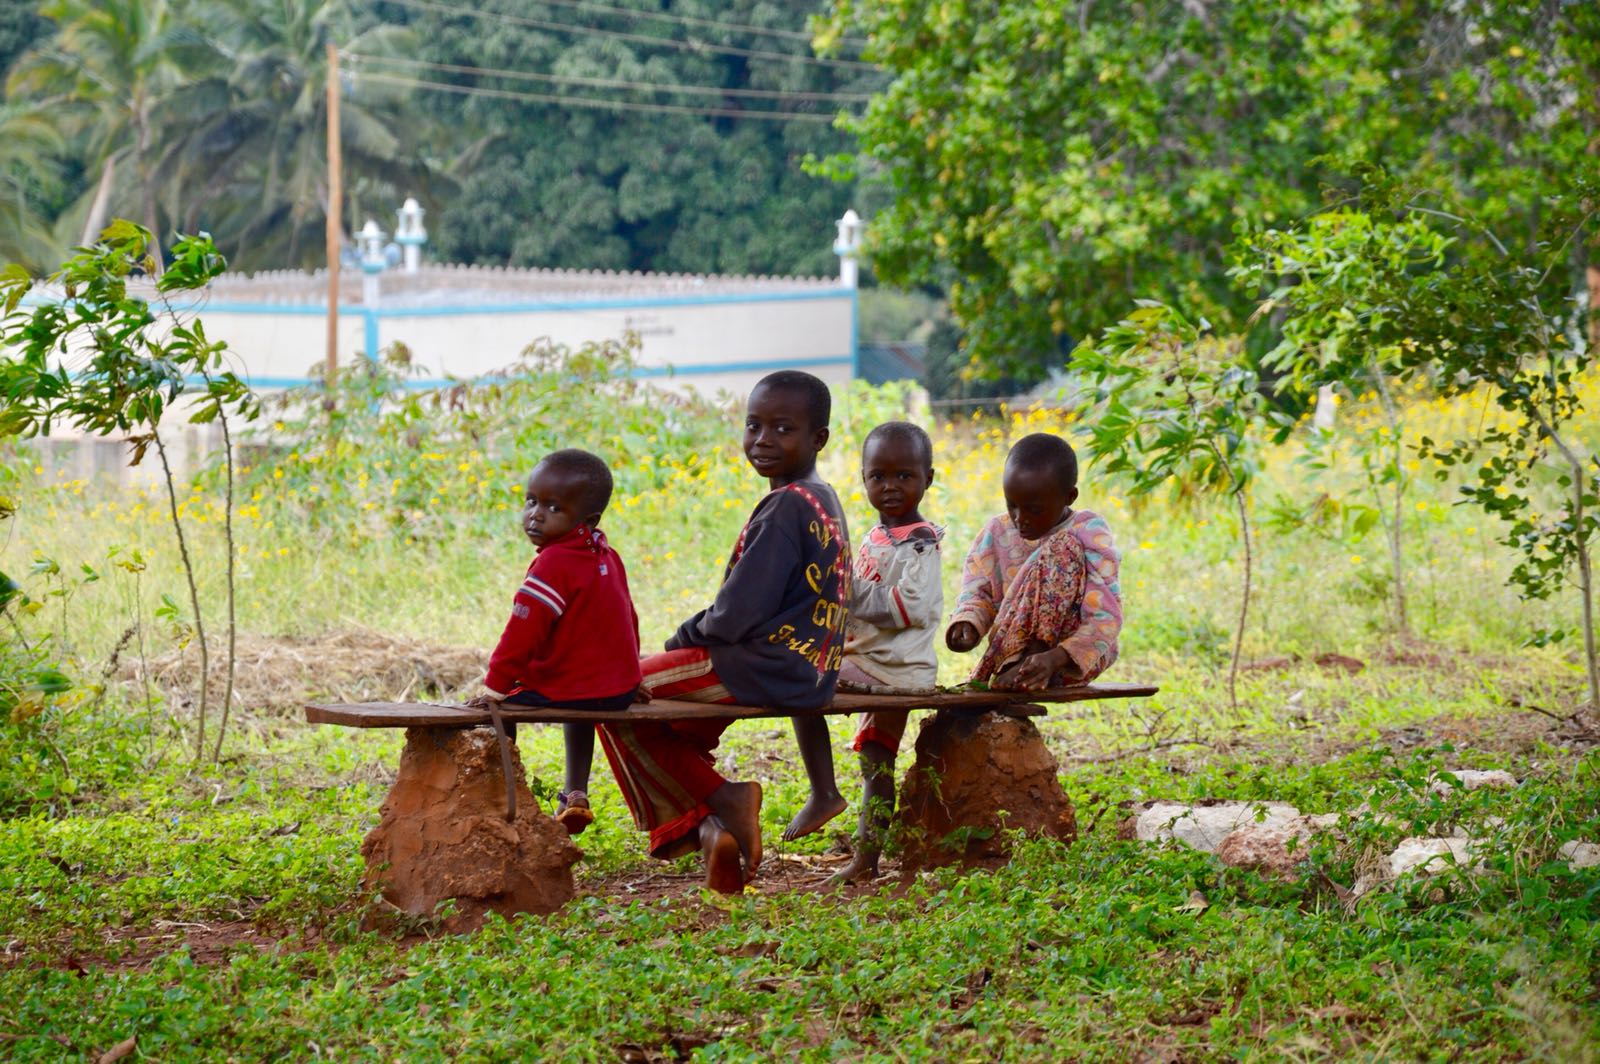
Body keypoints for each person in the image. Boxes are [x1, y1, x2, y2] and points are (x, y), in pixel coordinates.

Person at [596, 371, 852, 892]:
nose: (762, 439)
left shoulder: (785, 507)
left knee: (613, 695)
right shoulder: (823, 500)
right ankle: (715, 831)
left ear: (818, 439)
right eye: (754, 425)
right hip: (807, 671)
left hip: (754, 664)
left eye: (782, 428)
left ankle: (724, 805)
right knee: (661, 723)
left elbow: (737, 614)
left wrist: (683, 635)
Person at [468, 449, 642, 836]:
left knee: (498, 710)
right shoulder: (607, 555)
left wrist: (496, 688)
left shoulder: (553, 563)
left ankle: (505, 798)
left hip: (570, 688)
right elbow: (628, 618)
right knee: (580, 703)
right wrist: (632, 678)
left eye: (553, 507)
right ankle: (575, 792)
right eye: (531, 501)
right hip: (612, 691)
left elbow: (521, 634)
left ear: (588, 518)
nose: (536, 514)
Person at [830, 421, 943, 885]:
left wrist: (844, 588)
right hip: (875, 661)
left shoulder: (921, 542)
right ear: (863, 479)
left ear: (927, 480)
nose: (891, 487)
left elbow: (906, 607)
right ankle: (867, 859)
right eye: (879, 476)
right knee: (875, 765)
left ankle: (824, 794)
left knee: (800, 678)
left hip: (896, 669)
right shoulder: (877, 537)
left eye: (904, 476)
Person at [947, 432, 1122, 691]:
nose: (1020, 518)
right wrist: (968, 623)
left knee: (1063, 546)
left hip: (1070, 660)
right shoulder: (997, 532)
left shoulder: (1089, 531)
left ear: (1069, 497)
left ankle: (1036, 658)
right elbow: (977, 591)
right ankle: (1018, 665)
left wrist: (1054, 657)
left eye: (1034, 509)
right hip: (1009, 657)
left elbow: (1105, 614)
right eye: (1012, 505)